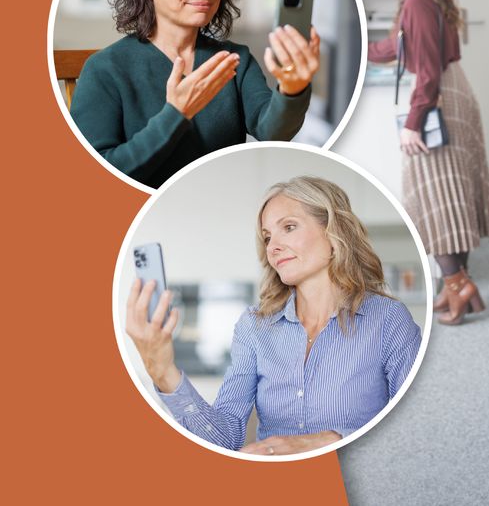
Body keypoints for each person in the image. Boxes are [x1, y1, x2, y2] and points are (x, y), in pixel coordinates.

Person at [126, 176, 423, 455]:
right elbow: (225, 437)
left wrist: (329, 440)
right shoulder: (255, 327)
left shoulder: (387, 319)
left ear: (334, 234)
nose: (273, 247)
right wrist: (163, 372)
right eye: (267, 237)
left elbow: (418, 427)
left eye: (289, 227)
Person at [70, 0, 319, 189]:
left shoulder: (235, 60)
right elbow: (106, 173)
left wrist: (292, 89)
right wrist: (175, 114)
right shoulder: (105, 69)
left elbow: (272, 132)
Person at [367, 0, 489, 325]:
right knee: (451, 192)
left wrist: (413, 123)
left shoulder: (417, 2)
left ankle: (458, 285)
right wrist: (363, 46)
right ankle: (455, 286)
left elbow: (425, 70)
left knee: (433, 195)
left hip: (437, 97)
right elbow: (398, 46)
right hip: (452, 91)